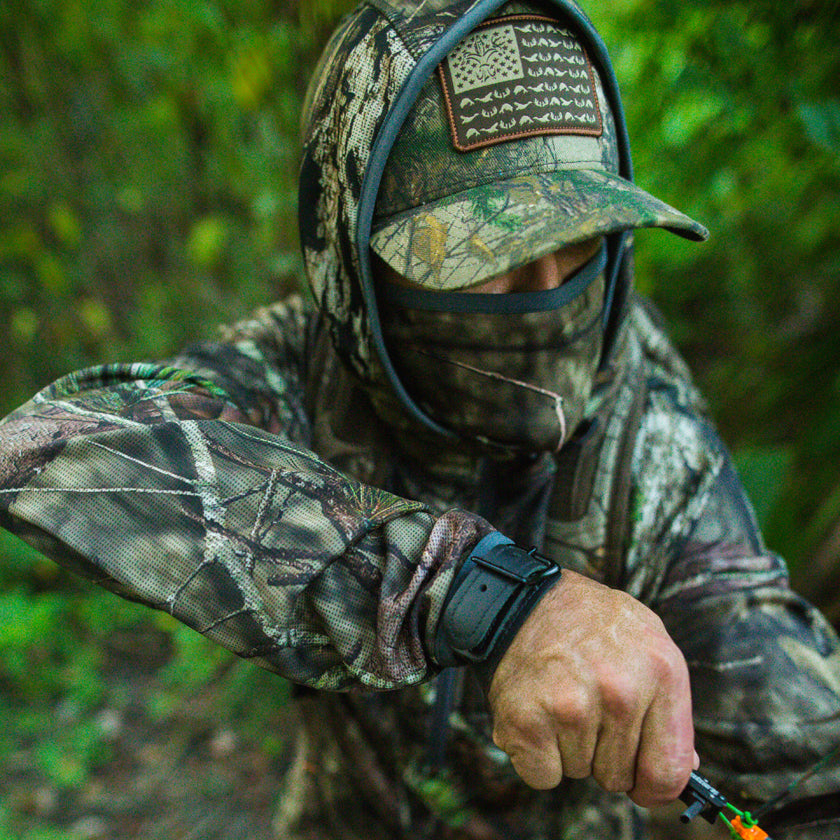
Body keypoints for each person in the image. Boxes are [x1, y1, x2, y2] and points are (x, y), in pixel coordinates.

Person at [1, 0, 839, 837]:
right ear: (354, 261)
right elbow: (55, 443)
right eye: (486, 254)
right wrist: (484, 597)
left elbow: (800, 741)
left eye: (582, 241)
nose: (545, 292)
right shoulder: (310, 365)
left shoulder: (644, 435)